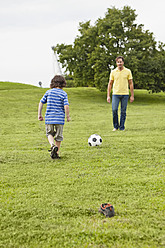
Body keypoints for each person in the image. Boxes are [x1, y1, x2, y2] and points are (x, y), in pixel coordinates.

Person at [38, 75, 71, 159]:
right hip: (60, 119)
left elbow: (41, 103)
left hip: (49, 118)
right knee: (59, 137)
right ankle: (56, 153)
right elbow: (66, 106)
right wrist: (67, 116)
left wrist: (39, 114)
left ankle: (52, 145)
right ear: (63, 83)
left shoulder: (48, 92)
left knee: (49, 133)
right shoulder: (63, 93)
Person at [107, 56, 134, 131]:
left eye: (121, 62)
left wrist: (132, 95)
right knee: (114, 110)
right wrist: (108, 96)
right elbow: (110, 84)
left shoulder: (128, 71)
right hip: (115, 94)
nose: (119, 63)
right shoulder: (113, 72)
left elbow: (131, 83)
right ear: (116, 63)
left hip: (125, 94)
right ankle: (115, 126)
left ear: (123, 62)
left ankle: (122, 127)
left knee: (123, 111)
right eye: (118, 62)